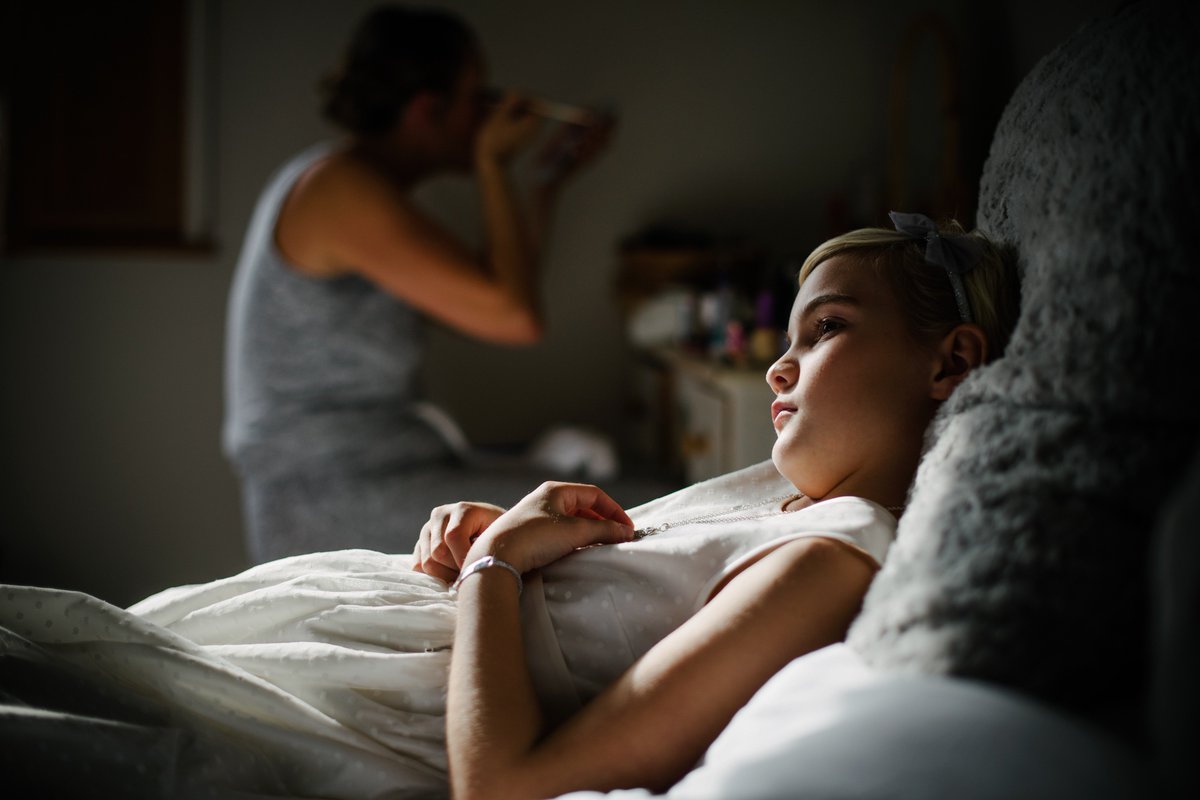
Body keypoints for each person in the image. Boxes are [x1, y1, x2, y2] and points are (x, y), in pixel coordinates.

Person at [0, 214, 1019, 799]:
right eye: (789, 336)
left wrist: (500, 567)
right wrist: (493, 536)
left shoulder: (833, 554)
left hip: (363, 704)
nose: (781, 364)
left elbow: (508, 785)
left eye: (827, 327)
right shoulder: (794, 503)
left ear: (950, 359)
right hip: (349, 623)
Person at [223, 4, 614, 563]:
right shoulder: (337, 190)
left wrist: (545, 185)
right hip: (335, 498)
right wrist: (492, 166)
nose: (487, 115)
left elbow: (493, 291)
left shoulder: (351, 186)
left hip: (381, 472)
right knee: (622, 512)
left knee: (612, 498)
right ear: (429, 108)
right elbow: (514, 317)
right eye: (478, 97)